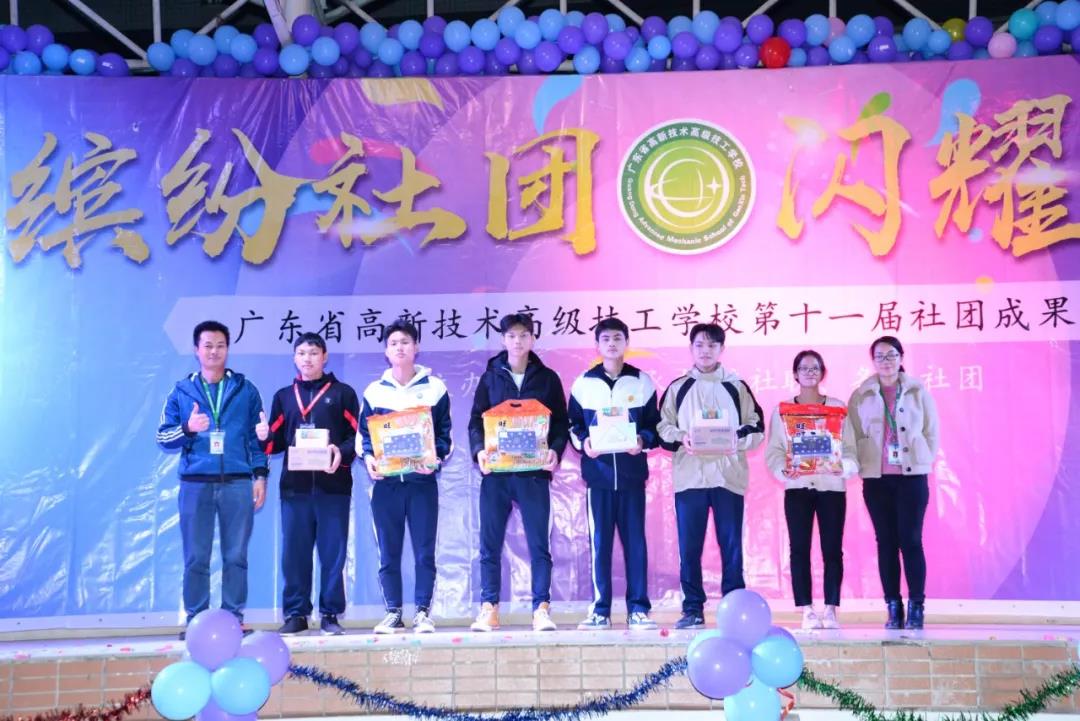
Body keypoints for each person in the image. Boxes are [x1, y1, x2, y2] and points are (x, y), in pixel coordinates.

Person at [156, 320, 268, 639]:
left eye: (220, 345)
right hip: (195, 484)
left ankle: (233, 619)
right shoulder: (182, 391)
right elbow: (163, 436)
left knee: (236, 555)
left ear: (228, 349)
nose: (214, 351)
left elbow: (255, 439)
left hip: (238, 482)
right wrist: (188, 428)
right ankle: (196, 620)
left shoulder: (246, 390)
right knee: (196, 556)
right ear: (196, 350)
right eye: (208, 346)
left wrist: (260, 475)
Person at [658, 323, 764, 630]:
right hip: (690, 479)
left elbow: (756, 427)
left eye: (712, 345)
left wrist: (734, 439)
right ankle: (692, 608)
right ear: (691, 348)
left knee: (731, 547)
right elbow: (662, 427)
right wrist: (682, 437)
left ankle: (734, 609)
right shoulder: (678, 388)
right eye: (700, 345)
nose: (706, 351)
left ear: (722, 349)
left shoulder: (737, 386)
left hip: (727, 478)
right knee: (689, 548)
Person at [467, 313, 569, 632]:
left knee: (539, 543)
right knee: (490, 544)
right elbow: (475, 421)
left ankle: (541, 609)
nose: (518, 341)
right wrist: (479, 451)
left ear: (533, 339)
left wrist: (555, 450)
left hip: (533, 473)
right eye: (511, 336)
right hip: (497, 475)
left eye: (524, 335)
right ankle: (489, 608)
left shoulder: (548, 379)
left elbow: (561, 423)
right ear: (503, 340)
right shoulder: (490, 378)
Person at [259, 332, 359, 636]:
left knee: (333, 554)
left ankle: (330, 613)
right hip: (295, 489)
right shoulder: (284, 397)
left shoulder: (343, 393)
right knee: (295, 554)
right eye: (302, 353)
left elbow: (357, 438)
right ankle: (296, 614)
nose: (308, 358)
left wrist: (339, 453)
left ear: (325, 357)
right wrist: (263, 436)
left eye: (314, 353)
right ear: (294, 358)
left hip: (334, 487)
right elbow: (275, 443)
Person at [358, 320, 452, 634]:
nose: (400, 347)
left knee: (425, 551)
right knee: (389, 551)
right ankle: (393, 612)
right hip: (386, 485)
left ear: (416, 347)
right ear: (386, 351)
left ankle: (423, 612)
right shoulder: (374, 391)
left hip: (422, 482)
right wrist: (369, 458)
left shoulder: (435, 388)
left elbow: (445, 434)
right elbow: (364, 437)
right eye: (394, 343)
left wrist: (435, 458)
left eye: (405, 342)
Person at [567, 318, 660, 631]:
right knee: (600, 545)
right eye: (605, 338)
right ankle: (600, 610)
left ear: (626, 343)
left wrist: (642, 441)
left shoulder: (642, 382)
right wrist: (584, 443)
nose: (611, 343)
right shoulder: (583, 384)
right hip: (599, 479)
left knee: (636, 545)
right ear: (597, 345)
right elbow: (573, 425)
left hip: (632, 477)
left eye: (617, 338)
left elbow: (654, 425)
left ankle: (638, 609)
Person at [848, 336, 940, 630]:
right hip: (876, 480)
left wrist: (923, 458)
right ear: (872, 361)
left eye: (891, 355)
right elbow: (852, 435)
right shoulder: (861, 395)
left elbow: (931, 432)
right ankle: (893, 606)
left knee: (911, 540)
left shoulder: (918, 391)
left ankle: (916, 607)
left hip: (912, 479)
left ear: (901, 357)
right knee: (886, 542)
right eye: (879, 356)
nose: (885, 361)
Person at [764, 350, 857, 630]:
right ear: (795, 374)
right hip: (798, 488)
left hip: (832, 487)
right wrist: (784, 470)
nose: (809, 372)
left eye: (815, 368)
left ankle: (830, 609)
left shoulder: (838, 408)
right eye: (804, 368)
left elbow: (850, 449)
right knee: (799, 549)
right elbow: (774, 452)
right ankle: (806, 609)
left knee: (832, 550)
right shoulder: (782, 411)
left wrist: (844, 467)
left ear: (822, 372)